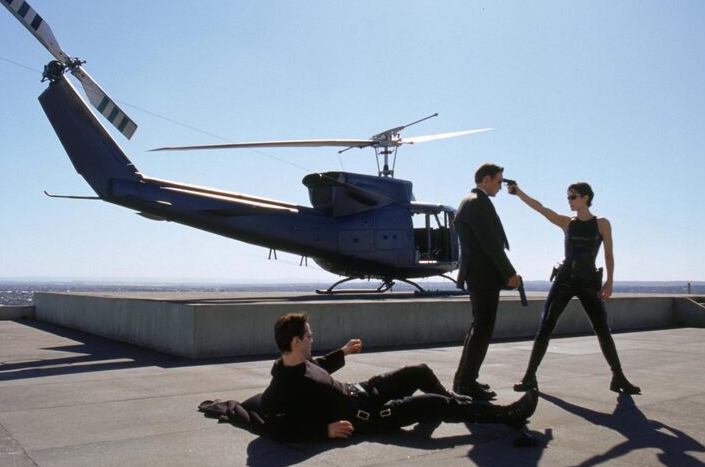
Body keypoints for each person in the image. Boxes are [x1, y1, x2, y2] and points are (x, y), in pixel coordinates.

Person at [260, 312, 538, 441]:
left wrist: (343, 352)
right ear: (295, 342)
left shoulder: (298, 363)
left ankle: (456, 404)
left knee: (419, 371)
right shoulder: (285, 384)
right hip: (373, 416)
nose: (313, 338)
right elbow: (274, 425)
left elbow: (319, 366)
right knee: (432, 404)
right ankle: (504, 416)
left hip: (367, 391)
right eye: (309, 336)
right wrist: (324, 431)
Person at [507, 181, 641, 394]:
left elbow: (608, 254)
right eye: (568, 197)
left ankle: (618, 377)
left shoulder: (602, 224)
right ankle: (529, 377)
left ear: (585, 197)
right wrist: (519, 192)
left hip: (588, 281)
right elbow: (541, 208)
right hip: (564, 280)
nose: (569, 201)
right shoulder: (567, 223)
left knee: (602, 329)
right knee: (546, 326)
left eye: (572, 197)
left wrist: (610, 282)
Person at [452, 163, 520, 400]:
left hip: (480, 274)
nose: (501, 187)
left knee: (479, 328)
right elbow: (490, 243)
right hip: (483, 275)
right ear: (487, 179)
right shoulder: (477, 203)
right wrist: (510, 272)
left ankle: (465, 379)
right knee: (482, 328)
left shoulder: (472, 201)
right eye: (499, 181)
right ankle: (465, 382)